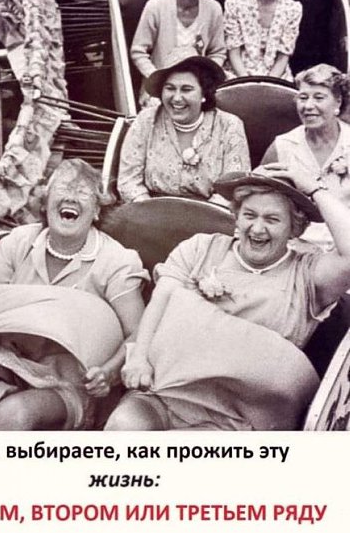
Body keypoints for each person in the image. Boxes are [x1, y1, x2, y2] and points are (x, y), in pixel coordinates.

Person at [106, 164, 350, 431]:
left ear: (295, 228)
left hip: (237, 419)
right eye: (249, 215)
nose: (257, 228)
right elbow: (160, 302)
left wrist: (315, 189)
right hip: (163, 393)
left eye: (272, 220)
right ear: (236, 216)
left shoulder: (308, 275)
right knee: (123, 425)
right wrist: (139, 358)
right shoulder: (200, 248)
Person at [0, 159, 147, 431]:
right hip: (10, 367)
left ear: (96, 211)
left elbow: (139, 333)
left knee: (15, 413)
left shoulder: (116, 260)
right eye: (63, 188)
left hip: (76, 385)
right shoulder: (18, 242)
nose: (71, 196)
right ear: (45, 203)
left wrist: (109, 372)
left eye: (82, 192)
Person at [117, 50, 250, 202]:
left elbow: (234, 187)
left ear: (204, 94)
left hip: (211, 213)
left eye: (186, 89)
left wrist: (203, 214)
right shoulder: (146, 120)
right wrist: (149, 210)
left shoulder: (229, 125)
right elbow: (128, 181)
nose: (177, 98)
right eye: (170, 88)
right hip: (150, 209)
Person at [262, 63, 350, 250]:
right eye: (303, 98)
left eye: (319, 97)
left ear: (338, 101)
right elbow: (259, 198)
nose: (308, 106)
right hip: (295, 249)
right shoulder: (283, 145)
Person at [130, 0, 226, 99]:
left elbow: (218, 52)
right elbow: (138, 51)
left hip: (198, 90)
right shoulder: (156, 6)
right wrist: (157, 78)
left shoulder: (214, 9)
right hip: (159, 90)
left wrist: (205, 79)